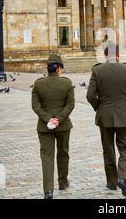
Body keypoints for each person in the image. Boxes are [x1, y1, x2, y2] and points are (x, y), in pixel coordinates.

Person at [86, 44, 126, 199]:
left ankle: (111, 182)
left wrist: (100, 108)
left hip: (105, 116)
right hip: (125, 116)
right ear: (118, 54)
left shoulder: (97, 70)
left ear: (104, 55)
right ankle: (123, 178)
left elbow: (90, 96)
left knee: (108, 149)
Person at [32, 54, 75, 199]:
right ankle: (63, 182)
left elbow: (35, 106)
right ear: (58, 69)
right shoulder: (67, 84)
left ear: (48, 68)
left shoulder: (38, 84)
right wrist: (59, 119)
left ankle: (48, 190)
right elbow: (70, 105)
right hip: (63, 126)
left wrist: (48, 119)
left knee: (47, 157)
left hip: (44, 127)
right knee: (63, 153)